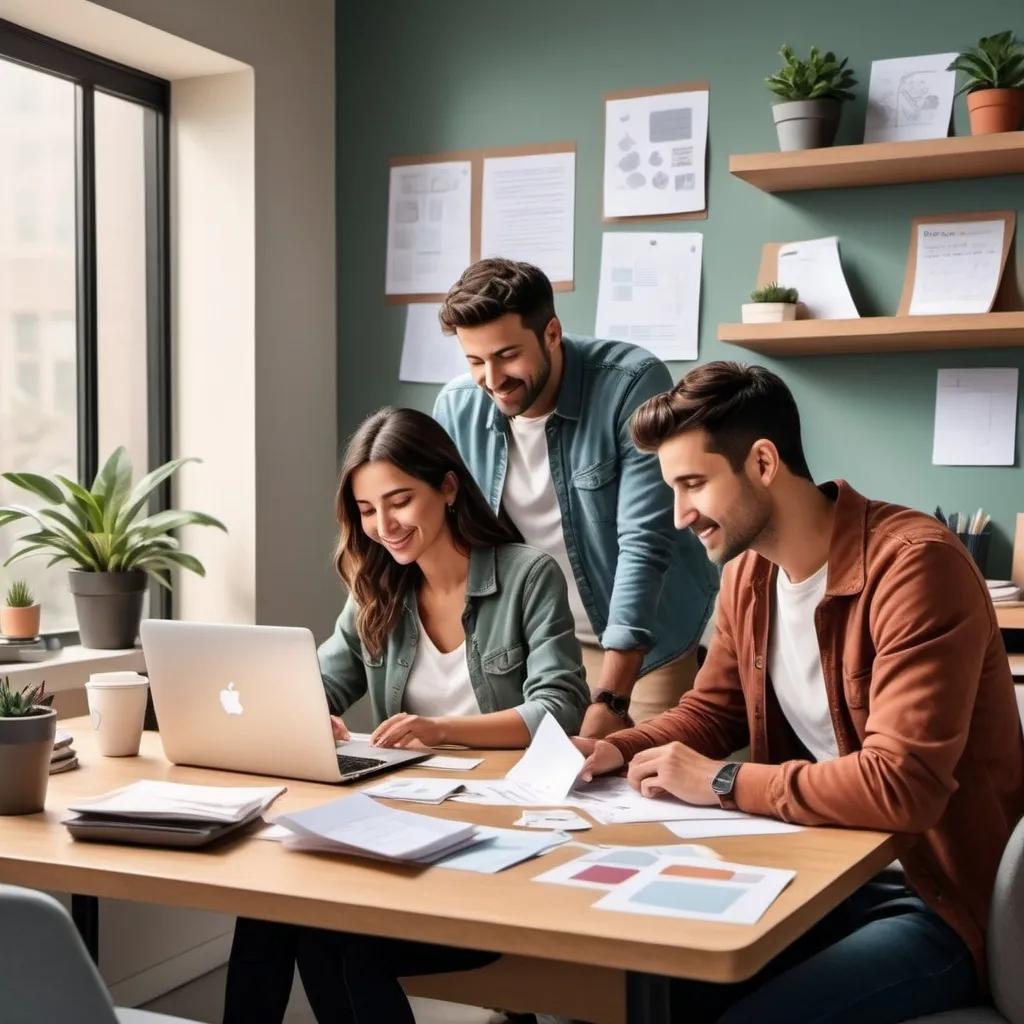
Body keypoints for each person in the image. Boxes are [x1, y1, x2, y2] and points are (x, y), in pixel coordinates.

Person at [576, 360, 1024, 1024]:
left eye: (694, 484)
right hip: (813, 881)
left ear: (762, 462)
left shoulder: (915, 568)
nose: (679, 515)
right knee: (628, 987)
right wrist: (617, 748)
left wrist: (724, 781)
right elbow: (714, 709)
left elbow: (902, 784)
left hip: (937, 903)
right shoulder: (748, 578)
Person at [222, 406, 589, 1024]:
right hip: (402, 821)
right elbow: (317, 682)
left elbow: (558, 708)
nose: (383, 526)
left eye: (399, 502)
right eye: (367, 511)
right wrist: (305, 716)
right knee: (272, 908)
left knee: (331, 938)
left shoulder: (529, 575)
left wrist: (441, 730)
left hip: (498, 828)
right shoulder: (377, 588)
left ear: (447, 487)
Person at [434, 257, 719, 739]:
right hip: (542, 651)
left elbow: (645, 542)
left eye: (506, 355)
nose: (492, 379)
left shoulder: (631, 382)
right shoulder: (458, 408)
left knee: (644, 794)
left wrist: (611, 695)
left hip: (647, 649)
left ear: (551, 333)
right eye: (475, 361)